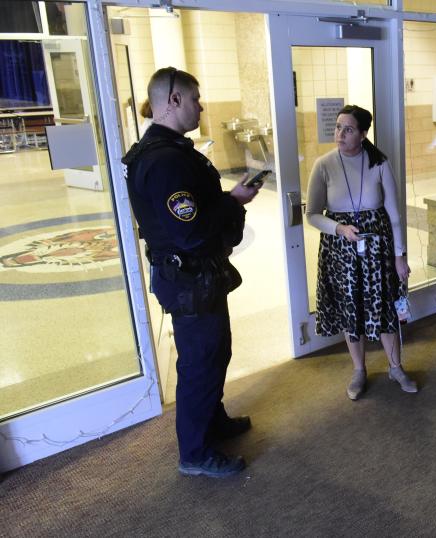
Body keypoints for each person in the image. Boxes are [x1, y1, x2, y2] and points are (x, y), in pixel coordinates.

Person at [122, 67, 260, 478]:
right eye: (196, 99)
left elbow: (194, 211)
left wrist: (225, 201)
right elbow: (191, 230)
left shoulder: (171, 151)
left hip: (196, 279)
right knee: (200, 361)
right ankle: (195, 453)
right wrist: (233, 201)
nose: (201, 106)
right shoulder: (164, 161)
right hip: (188, 280)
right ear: (174, 100)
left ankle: (212, 421)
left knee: (214, 353)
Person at [306, 105, 417, 400]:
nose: (340, 134)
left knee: (384, 307)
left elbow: (394, 214)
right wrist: (338, 228)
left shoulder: (378, 162)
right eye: (338, 127)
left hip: (377, 248)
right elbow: (313, 214)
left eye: (349, 129)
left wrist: (400, 255)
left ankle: (396, 367)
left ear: (363, 134)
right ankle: (359, 370)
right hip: (340, 249)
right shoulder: (324, 164)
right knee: (350, 308)